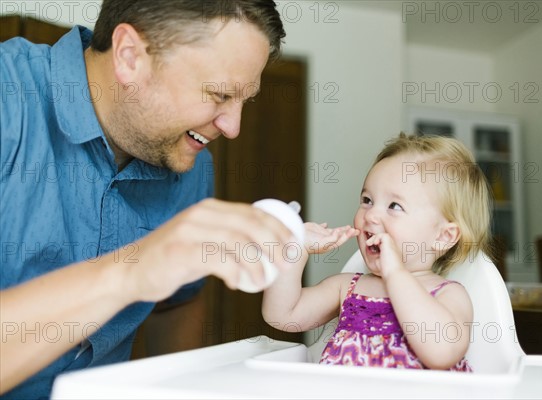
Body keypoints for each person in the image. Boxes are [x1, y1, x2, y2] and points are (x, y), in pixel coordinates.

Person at [0, 1, 324, 398]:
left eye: (245, 100)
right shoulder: (7, 100)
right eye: (219, 93)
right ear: (130, 56)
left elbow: (177, 303)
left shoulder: (187, 159)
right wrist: (132, 271)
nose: (233, 127)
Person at [263, 133, 493, 371]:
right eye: (367, 200)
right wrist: (294, 248)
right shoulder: (346, 287)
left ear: (443, 236)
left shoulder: (448, 295)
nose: (370, 215)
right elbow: (282, 315)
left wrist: (395, 273)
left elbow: (441, 353)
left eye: (394, 206)